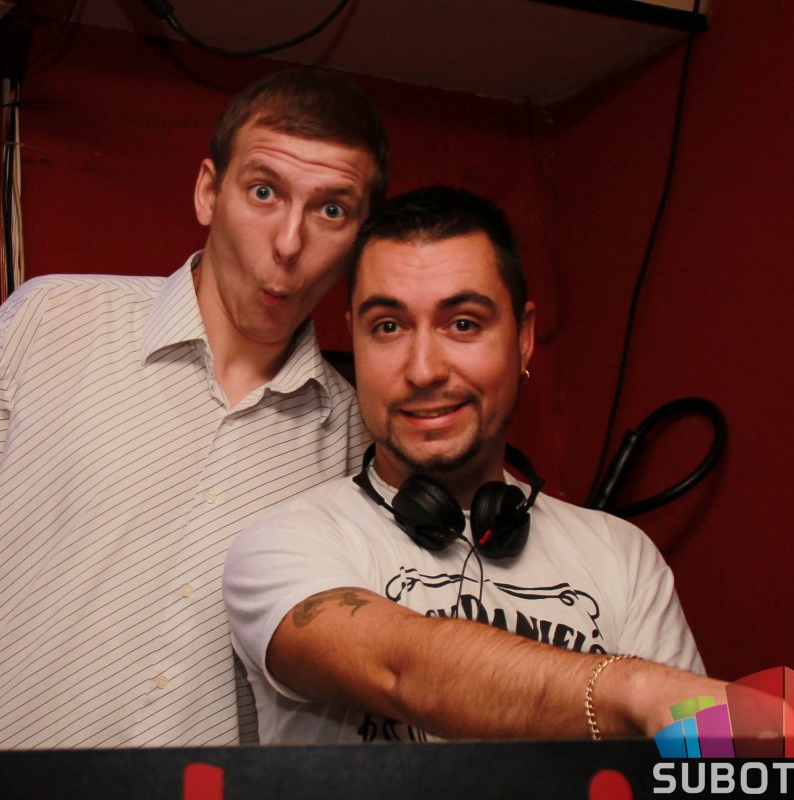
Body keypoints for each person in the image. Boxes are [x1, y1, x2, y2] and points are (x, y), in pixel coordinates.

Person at [0, 68, 389, 752]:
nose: (287, 242)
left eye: (331, 210)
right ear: (208, 192)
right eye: (263, 191)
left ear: (361, 239)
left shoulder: (353, 441)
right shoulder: (48, 320)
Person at [223, 185, 727, 745]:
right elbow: (401, 671)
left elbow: (695, 759)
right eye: (388, 326)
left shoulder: (622, 556)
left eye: (463, 324)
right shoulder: (282, 545)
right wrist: (633, 689)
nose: (423, 370)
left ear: (524, 339)